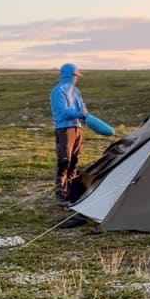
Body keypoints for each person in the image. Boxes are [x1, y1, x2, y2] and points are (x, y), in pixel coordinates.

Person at [50, 63, 88, 201]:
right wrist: (80, 114)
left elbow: (82, 107)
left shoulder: (76, 91)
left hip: (77, 128)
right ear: (71, 75)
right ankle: (60, 193)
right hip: (64, 128)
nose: (77, 78)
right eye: (76, 76)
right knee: (65, 161)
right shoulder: (58, 91)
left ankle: (71, 192)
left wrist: (85, 116)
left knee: (74, 160)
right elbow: (64, 111)